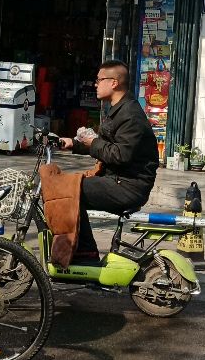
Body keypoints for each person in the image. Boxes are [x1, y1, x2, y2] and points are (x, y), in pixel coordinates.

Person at [59, 60, 159, 260]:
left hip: (128, 186)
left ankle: (85, 251)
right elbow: (106, 145)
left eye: (99, 80)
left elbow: (119, 155)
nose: (96, 84)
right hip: (117, 179)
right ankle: (80, 248)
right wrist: (73, 144)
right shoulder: (117, 110)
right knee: (64, 186)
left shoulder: (130, 115)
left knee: (69, 191)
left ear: (114, 83)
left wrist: (93, 141)